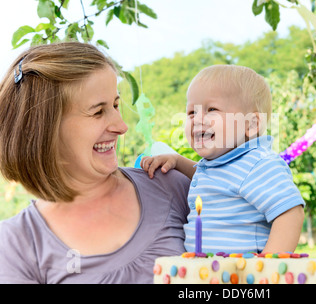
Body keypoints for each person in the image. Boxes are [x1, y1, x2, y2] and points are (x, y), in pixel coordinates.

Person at [0, 42, 190, 284]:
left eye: (116, 105)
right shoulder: (17, 245)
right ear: (43, 130)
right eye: (98, 112)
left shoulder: (169, 184)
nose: (122, 127)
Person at [141, 65, 305, 254]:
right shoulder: (223, 165)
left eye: (212, 109)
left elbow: (290, 213)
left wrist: (267, 267)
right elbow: (220, 181)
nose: (197, 119)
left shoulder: (258, 162)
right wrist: (177, 161)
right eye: (191, 112)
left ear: (251, 124)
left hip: (243, 275)